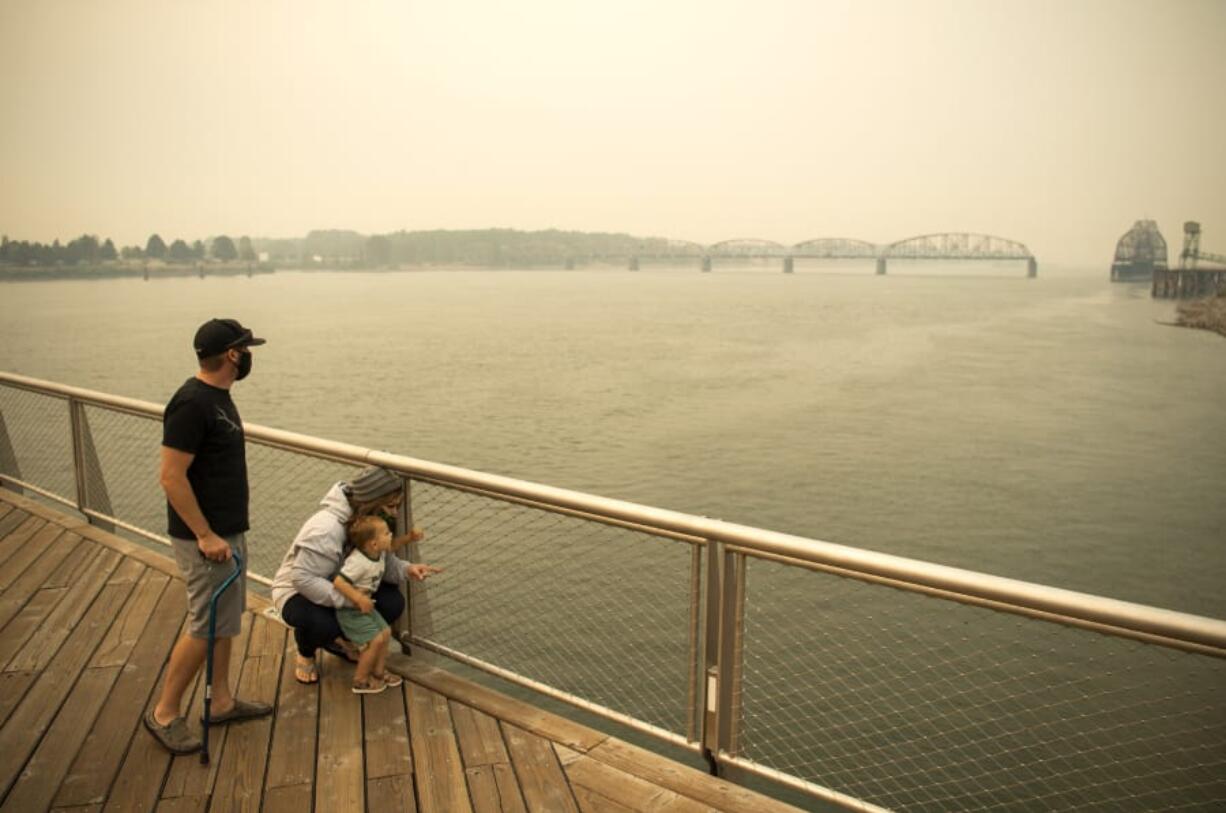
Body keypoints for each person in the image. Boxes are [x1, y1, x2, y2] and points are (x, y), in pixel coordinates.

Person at [145, 318, 273, 755]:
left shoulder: (218, 398)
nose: (250, 355)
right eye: (246, 348)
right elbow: (171, 476)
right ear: (232, 355)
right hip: (206, 540)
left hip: (226, 532)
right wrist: (204, 534)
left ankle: (220, 701)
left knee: (225, 621)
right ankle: (164, 712)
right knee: (204, 625)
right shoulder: (192, 404)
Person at [270, 465, 441, 684]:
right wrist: (352, 600)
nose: (395, 514)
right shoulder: (326, 529)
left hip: (345, 588)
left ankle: (346, 641)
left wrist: (407, 569)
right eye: (390, 506)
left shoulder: (370, 523)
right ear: (370, 503)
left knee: (392, 602)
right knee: (321, 624)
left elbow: (379, 563)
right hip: (298, 592)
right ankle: (306, 651)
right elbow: (303, 579)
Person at [334, 516, 402, 693]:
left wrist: (410, 537)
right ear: (373, 544)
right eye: (386, 533)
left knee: (385, 632)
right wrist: (359, 598)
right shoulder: (358, 562)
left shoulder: (378, 553)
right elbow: (339, 582)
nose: (391, 535)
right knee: (374, 640)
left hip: (365, 608)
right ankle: (360, 680)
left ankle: (378, 672)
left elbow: (392, 546)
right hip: (350, 610)